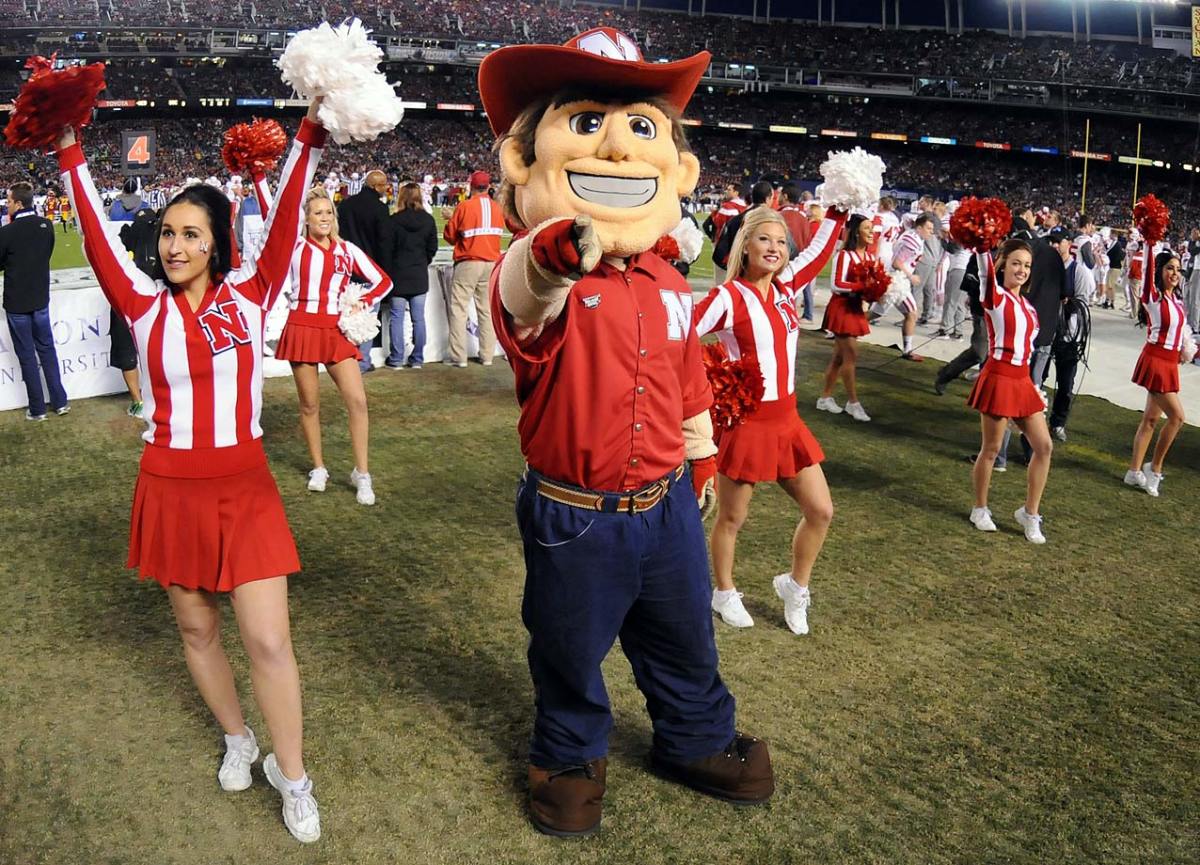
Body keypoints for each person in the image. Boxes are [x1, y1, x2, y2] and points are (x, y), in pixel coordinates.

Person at [481, 26, 774, 838]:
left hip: (667, 503)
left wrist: (702, 460)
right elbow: (523, 290)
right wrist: (551, 250)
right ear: (525, 158)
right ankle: (568, 759)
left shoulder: (669, 278)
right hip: (577, 513)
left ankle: (697, 738)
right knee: (570, 655)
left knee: (684, 639)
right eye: (584, 124)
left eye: (640, 128)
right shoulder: (548, 267)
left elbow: (686, 382)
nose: (614, 150)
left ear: (675, 166)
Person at [56, 98, 327, 844]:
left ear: (217, 243)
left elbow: (291, 208)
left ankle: (292, 774)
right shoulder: (141, 305)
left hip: (243, 486)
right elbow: (94, 230)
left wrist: (307, 132)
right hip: (169, 484)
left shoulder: (252, 296)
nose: (173, 246)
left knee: (269, 640)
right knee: (196, 626)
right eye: (168, 233)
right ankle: (239, 737)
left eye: (190, 234)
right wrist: (70, 148)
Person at [695, 205, 846, 635]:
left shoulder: (786, 289)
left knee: (820, 509)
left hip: (787, 420)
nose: (774, 248)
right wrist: (708, 379)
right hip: (746, 423)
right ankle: (723, 592)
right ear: (745, 247)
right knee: (732, 518)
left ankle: (795, 587)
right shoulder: (728, 298)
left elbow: (817, 253)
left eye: (781, 242)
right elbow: (683, 334)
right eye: (765, 239)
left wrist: (837, 209)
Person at [274, 187, 392, 505]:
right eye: (317, 213)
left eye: (328, 213)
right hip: (301, 327)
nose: (324, 218)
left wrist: (362, 302)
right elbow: (276, 214)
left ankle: (362, 474)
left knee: (358, 401)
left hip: (336, 331)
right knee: (310, 405)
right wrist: (259, 177)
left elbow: (383, 281)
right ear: (307, 219)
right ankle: (318, 468)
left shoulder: (347, 250)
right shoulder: (295, 247)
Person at [966, 240, 1054, 544]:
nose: (1022, 270)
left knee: (1044, 447)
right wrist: (981, 244)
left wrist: (1033, 385)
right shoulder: (995, 296)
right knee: (990, 449)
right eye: (1016, 263)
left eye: (1027, 265)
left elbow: (1028, 350)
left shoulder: (1028, 306)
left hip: (1022, 380)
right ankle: (980, 508)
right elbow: (984, 269)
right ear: (1002, 264)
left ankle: (1030, 514)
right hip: (999, 376)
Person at [0, 181, 68, 421]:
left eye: (8, 201)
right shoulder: (46, 225)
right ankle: (60, 402)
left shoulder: (6, 232)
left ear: (18, 203)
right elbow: (45, 254)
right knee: (47, 350)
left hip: (17, 303)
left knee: (27, 355)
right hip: (40, 299)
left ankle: (37, 409)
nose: (6, 205)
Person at [1125, 250, 1188, 497]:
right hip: (1156, 361)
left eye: (1178, 269)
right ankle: (1155, 468)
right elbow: (1148, 268)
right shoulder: (1154, 296)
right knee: (1178, 417)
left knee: (1150, 419)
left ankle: (1133, 471)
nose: (1174, 273)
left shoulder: (1176, 301)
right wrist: (1150, 242)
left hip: (1170, 363)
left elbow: (1180, 335)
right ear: (1160, 271)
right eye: (1170, 268)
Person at [817, 213, 877, 421]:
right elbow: (836, 284)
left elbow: (872, 284)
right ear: (856, 232)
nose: (872, 232)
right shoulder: (844, 255)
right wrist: (862, 287)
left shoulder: (870, 257)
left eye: (872, 228)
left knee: (839, 357)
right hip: (841, 308)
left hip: (855, 308)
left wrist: (876, 291)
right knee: (851, 355)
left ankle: (824, 398)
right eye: (867, 228)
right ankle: (853, 403)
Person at [442, 169, 503, 368]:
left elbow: (450, 237)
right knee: (486, 310)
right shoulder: (496, 208)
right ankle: (487, 355)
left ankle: (458, 357)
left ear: (470, 186)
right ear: (489, 187)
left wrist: (450, 219)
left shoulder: (465, 206)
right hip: (491, 263)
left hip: (468, 261)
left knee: (459, 309)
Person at [336, 168, 393, 372]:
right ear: (373, 186)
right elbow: (384, 243)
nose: (386, 188)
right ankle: (362, 361)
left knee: (345, 316)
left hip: (347, 270)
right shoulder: (379, 209)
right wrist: (385, 272)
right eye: (383, 184)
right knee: (367, 318)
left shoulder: (345, 205)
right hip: (371, 271)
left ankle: (345, 358)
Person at [109, 177, 154, 418]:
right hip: (149, 286)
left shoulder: (116, 209)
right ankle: (156, 396)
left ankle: (138, 401)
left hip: (125, 286)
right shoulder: (151, 215)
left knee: (126, 344)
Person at [384, 181, 437, 370]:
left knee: (397, 317)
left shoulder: (393, 220)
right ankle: (417, 358)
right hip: (419, 275)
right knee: (418, 318)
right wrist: (423, 262)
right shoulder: (428, 220)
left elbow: (387, 249)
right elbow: (433, 248)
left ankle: (397, 358)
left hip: (398, 275)